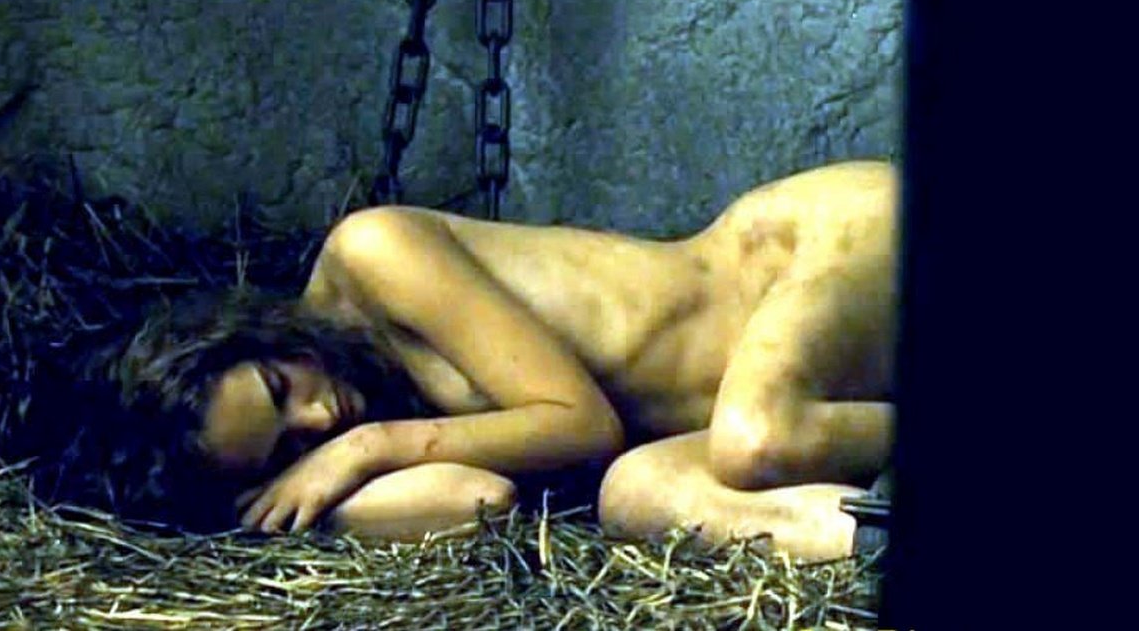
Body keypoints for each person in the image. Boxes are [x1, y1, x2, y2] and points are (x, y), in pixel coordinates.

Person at [118, 159, 897, 560]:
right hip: (782, 403)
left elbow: (581, 423)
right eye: (289, 445)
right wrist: (280, 512)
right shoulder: (368, 423)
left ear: (257, 331)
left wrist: (362, 450)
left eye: (280, 385)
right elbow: (477, 499)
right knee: (635, 494)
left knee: (757, 436)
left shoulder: (372, 252)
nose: (319, 417)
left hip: (808, 250)